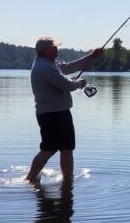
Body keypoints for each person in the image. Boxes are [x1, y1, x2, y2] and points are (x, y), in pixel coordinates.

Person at [25, 36, 103, 185]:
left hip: (60, 112)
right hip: (51, 115)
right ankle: (30, 178)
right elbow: (67, 85)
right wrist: (79, 83)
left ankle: (67, 180)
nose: (57, 49)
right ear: (45, 50)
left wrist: (92, 56)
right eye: (54, 47)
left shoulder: (50, 63)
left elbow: (69, 67)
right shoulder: (44, 67)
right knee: (49, 148)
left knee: (67, 148)